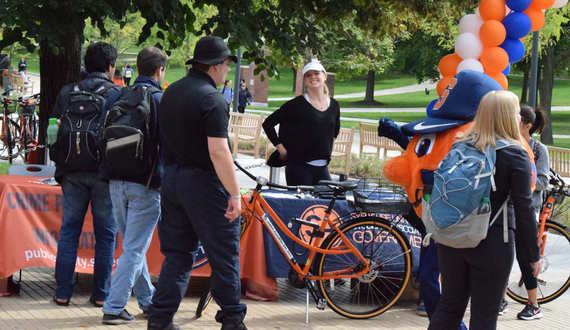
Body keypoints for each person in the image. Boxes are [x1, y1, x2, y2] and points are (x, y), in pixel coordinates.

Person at [147, 36, 247, 330]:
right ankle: (232, 321)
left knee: (177, 256)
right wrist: (235, 194)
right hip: (203, 184)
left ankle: (160, 319)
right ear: (216, 66)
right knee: (224, 255)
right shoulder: (212, 99)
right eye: (228, 64)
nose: (229, 69)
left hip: (173, 180)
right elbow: (218, 151)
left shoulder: (172, 92)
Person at [427, 90, 541, 330]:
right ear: (509, 116)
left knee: (449, 307)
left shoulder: (460, 144)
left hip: (452, 237)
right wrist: (532, 255)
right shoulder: (514, 153)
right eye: (517, 111)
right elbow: (524, 208)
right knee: (484, 316)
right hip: (492, 242)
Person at [99, 47, 167, 325]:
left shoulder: (116, 96)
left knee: (132, 246)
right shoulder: (161, 100)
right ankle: (114, 307)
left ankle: (148, 300)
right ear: (160, 71)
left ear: (136, 68)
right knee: (135, 249)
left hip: (115, 181)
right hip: (146, 184)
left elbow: (99, 137)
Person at [51, 42, 121, 307]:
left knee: (69, 231)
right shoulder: (115, 93)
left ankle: (63, 293)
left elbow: (53, 130)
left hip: (71, 172)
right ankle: (101, 295)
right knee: (106, 234)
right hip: (104, 173)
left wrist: (60, 163)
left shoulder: (67, 92)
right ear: (110, 66)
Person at [499, 105, 549, 320]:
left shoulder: (538, 149)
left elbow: (543, 181)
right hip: (506, 208)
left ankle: (534, 305)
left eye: (516, 121)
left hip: (528, 208)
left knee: (524, 256)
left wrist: (521, 181)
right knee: (502, 255)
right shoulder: (508, 145)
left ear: (527, 126)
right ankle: (500, 300)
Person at [262, 60, 340, 186]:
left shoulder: (334, 105)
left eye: (316, 73)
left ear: (324, 76)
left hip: (322, 167)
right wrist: (281, 149)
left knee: (326, 203)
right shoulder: (295, 105)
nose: (313, 77)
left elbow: (335, 130)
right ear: (304, 80)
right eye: (308, 75)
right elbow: (268, 123)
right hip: (299, 167)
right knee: (300, 205)